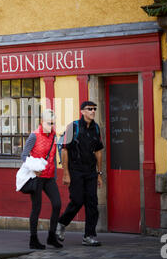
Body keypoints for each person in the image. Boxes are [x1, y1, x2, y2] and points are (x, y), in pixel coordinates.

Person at [56, 101, 104, 246]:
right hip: (75, 170)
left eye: (94, 109)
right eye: (90, 109)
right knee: (77, 200)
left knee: (92, 203)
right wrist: (65, 173)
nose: (93, 111)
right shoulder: (73, 127)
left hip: (90, 172)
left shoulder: (96, 128)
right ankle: (61, 223)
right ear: (82, 111)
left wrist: (99, 173)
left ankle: (89, 236)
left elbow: (98, 152)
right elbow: (64, 150)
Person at [21, 109, 62, 250]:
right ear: (42, 122)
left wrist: (55, 175)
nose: (51, 126)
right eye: (49, 123)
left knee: (57, 204)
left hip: (49, 177)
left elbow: (53, 157)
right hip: (37, 177)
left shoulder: (53, 135)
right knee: (36, 208)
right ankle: (33, 239)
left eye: (53, 123)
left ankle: (51, 236)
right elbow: (24, 156)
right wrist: (34, 168)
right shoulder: (34, 136)